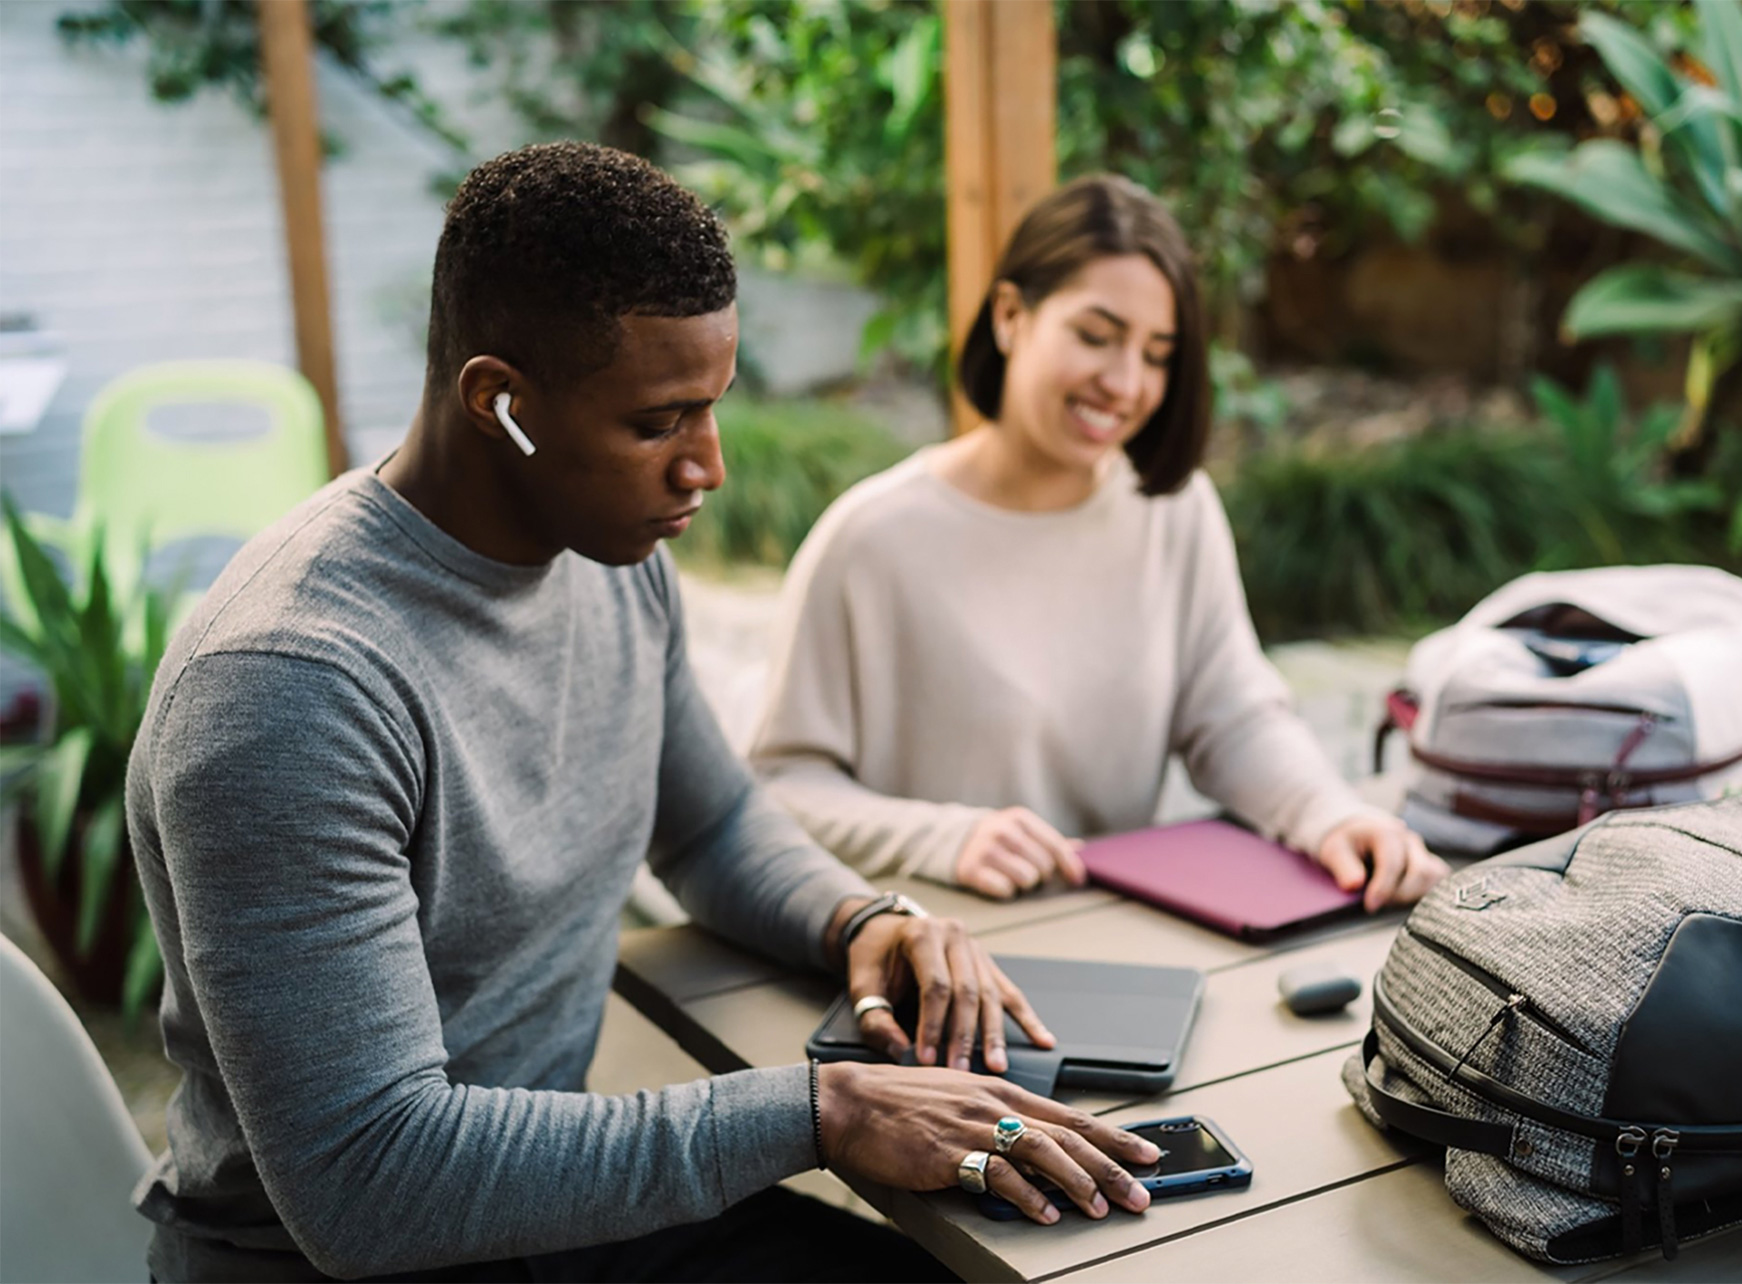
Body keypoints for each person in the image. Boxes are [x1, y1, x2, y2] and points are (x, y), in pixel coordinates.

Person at [124, 143, 1162, 1284]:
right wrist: (825, 1112)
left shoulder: (607, 555)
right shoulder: (289, 691)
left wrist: (861, 922)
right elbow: (368, 1179)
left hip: (541, 1217)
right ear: (498, 400)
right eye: (659, 423)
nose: (706, 468)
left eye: (712, 409)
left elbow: (712, 825)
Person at [750, 174, 1447, 913]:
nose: (1125, 382)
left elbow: (1234, 719)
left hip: (1117, 938)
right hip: (929, 958)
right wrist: (940, 838)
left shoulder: (1172, 510)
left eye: (1156, 353)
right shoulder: (870, 541)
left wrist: (1330, 815)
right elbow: (778, 786)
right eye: (1096, 336)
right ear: (1012, 316)